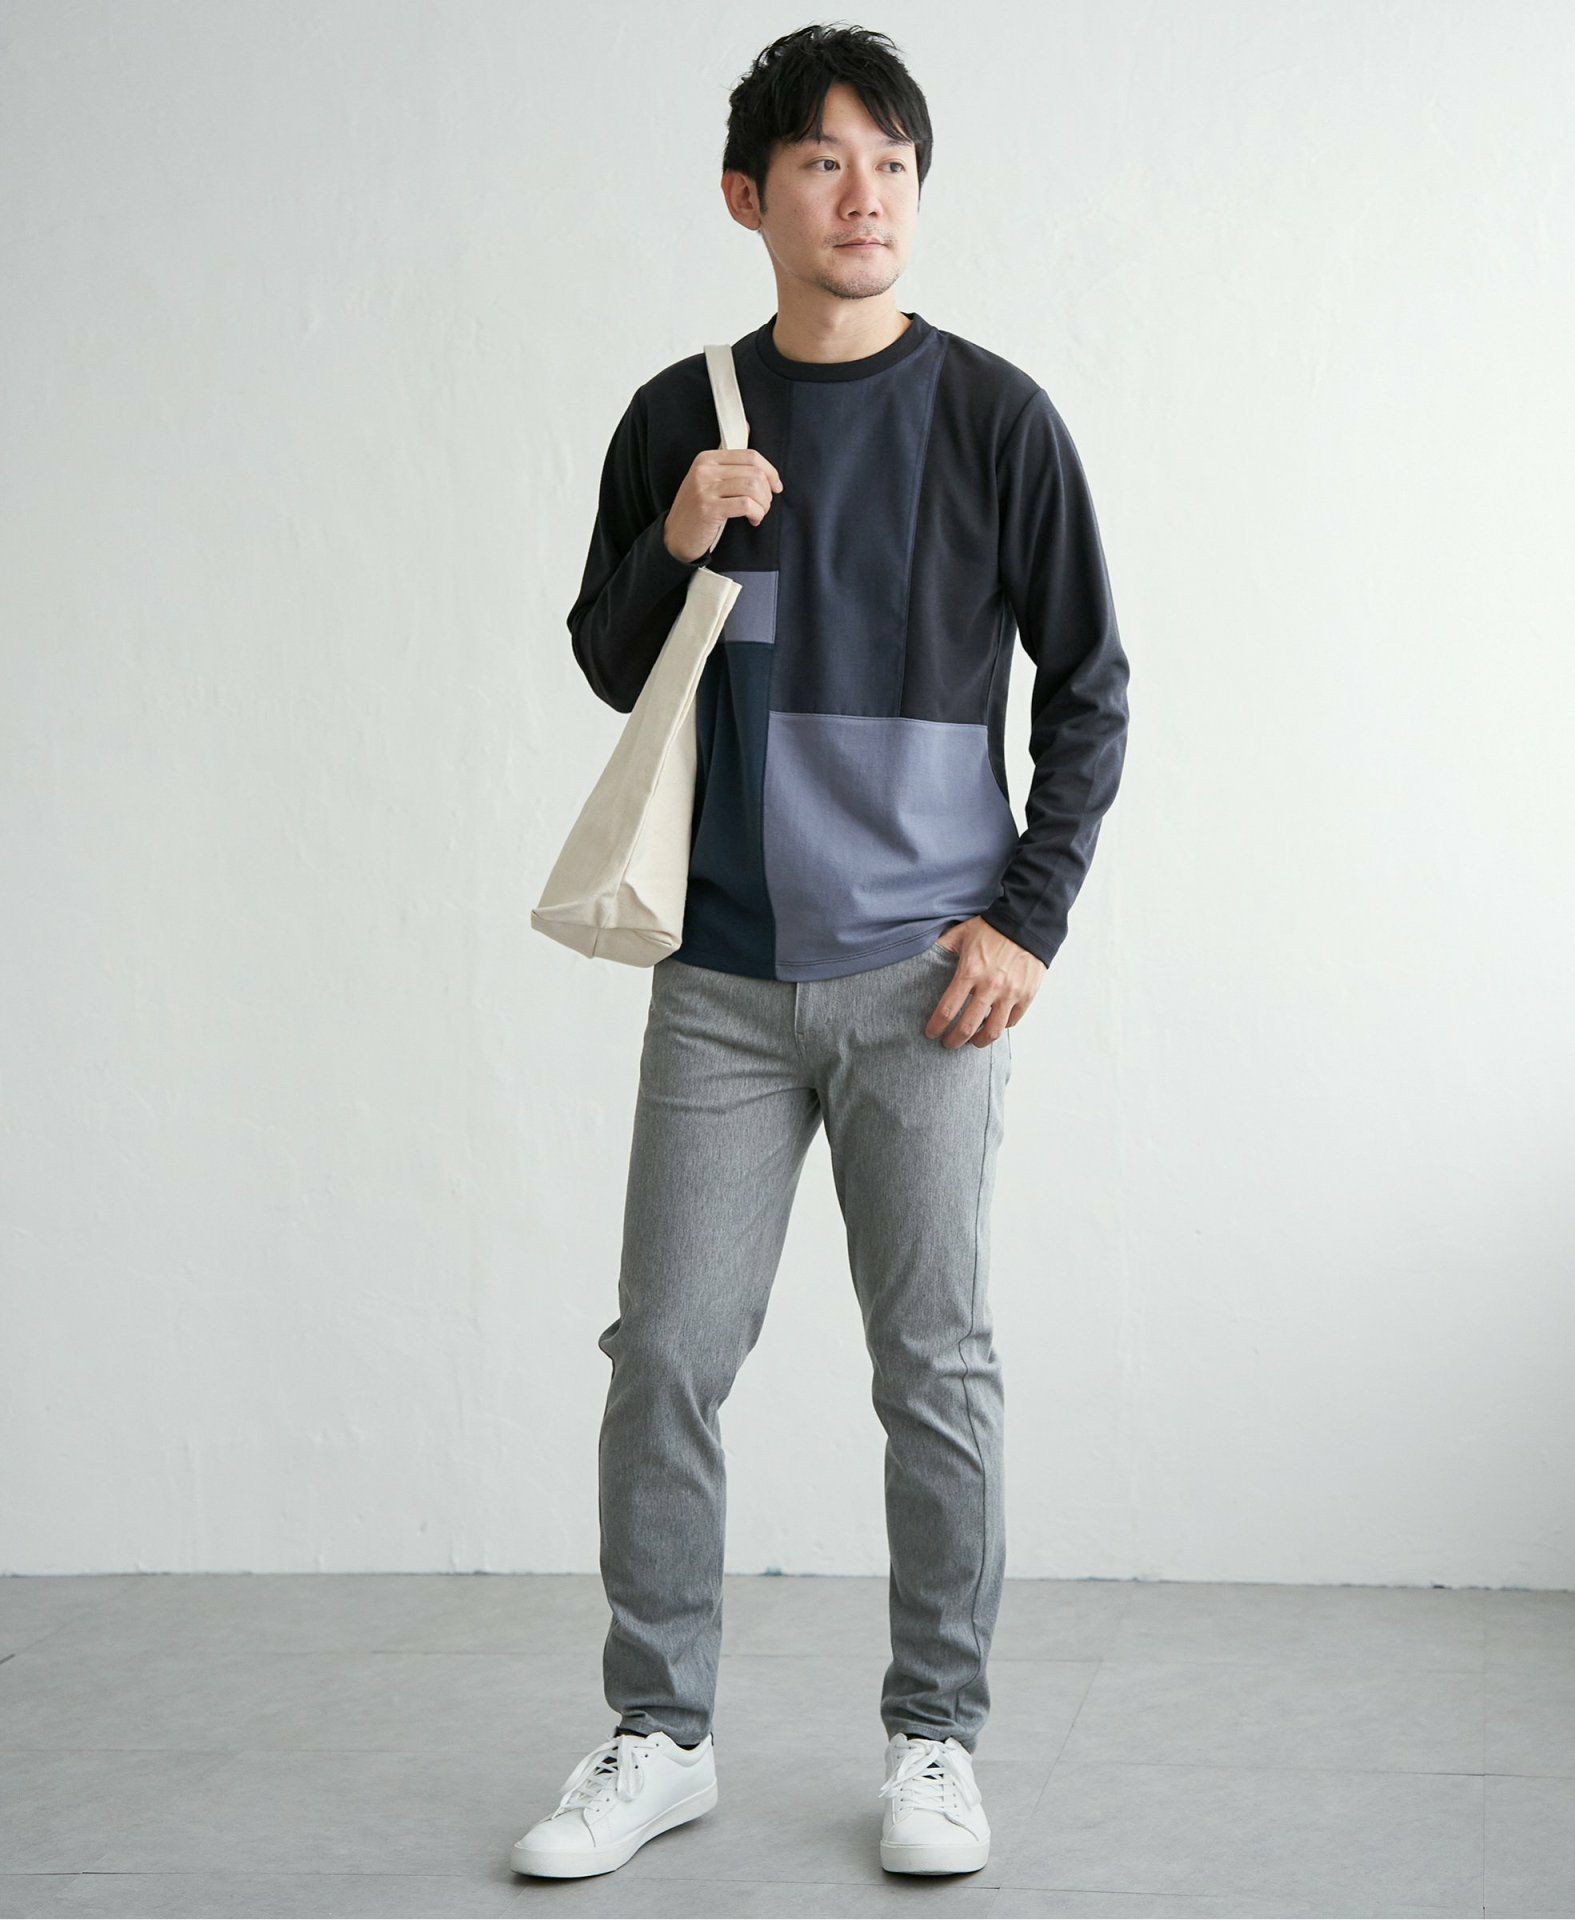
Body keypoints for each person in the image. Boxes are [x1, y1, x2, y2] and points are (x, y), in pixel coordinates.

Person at [511, 20, 1130, 1883]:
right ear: (748, 197)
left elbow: (1090, 688)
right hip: (718, 973)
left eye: (892, 165)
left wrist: (1028, 920)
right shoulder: (680, 414)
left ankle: (937, 1738)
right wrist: (681, 537)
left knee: (934, 1366)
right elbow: (610, 662)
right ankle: (658, 1732)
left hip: (927, 986)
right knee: (665, 1354)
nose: (865, 197)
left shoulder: (998, 417)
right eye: (823, 164)